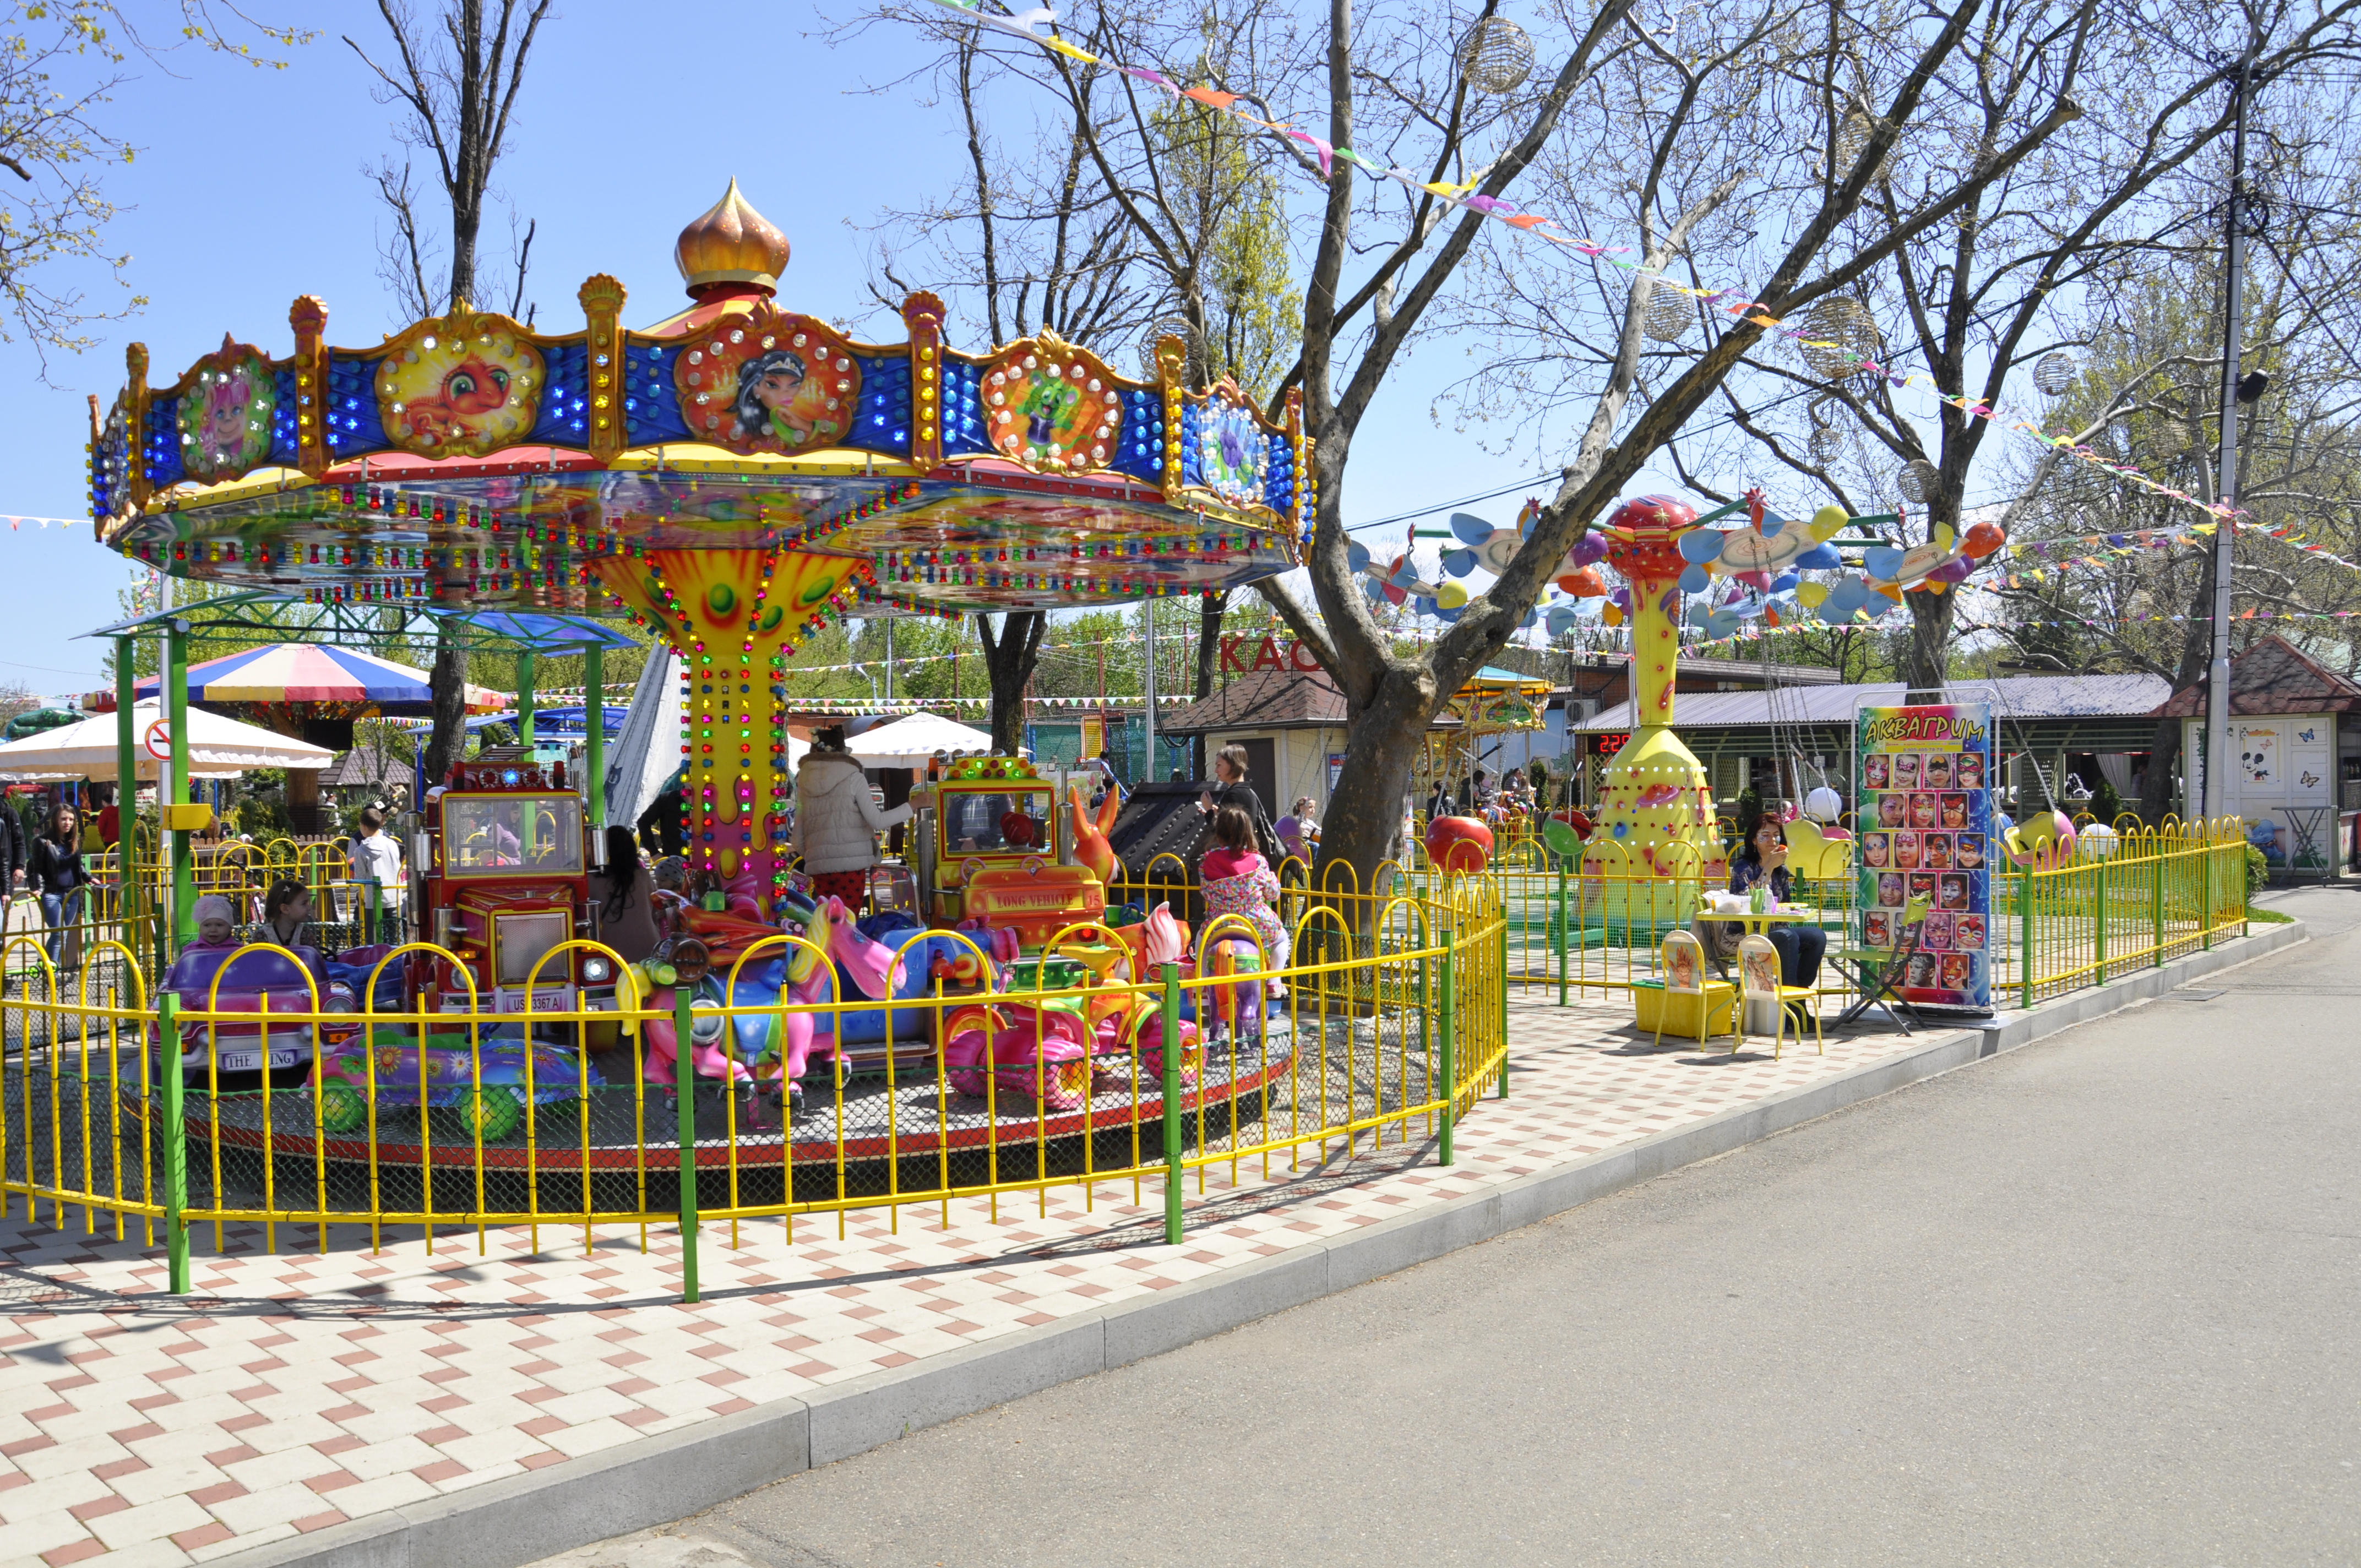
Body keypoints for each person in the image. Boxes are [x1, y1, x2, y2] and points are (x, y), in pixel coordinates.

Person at [792, 732, 925, 912]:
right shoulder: (854, 778)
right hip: (851, 871)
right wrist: (913, 805)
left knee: (827, 925)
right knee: (847, 925)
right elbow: (878, 821)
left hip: (819, 870)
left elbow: (797, 840)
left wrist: (818, 856)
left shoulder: (804, 786)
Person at [1728, 814, 1826, 1021]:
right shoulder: (1743, 867)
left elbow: (1783, 905)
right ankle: (1789, 1009)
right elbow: (1748, 903)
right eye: (1766, 835)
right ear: (1754, 840)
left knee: (1816, 936)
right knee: (1787, 937)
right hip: (1746, 932)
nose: (1773, 840)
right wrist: (1769, 867)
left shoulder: (1781, 871)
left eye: (1776, 835)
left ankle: (1798, 996)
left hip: (1773, 929)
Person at [1199, 805, 1289, 1002]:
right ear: (1249, 832)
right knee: (1282, 938)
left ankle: (1203, 982)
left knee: (1202, 938)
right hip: (1255, 924)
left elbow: (1206, 893)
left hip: (1221, 923)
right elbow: (1273, 894)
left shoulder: (1207, 861)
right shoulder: (1258, 861)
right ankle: (1274, 980)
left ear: (1219, 833)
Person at [25, 802, 91, 968]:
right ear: (55, 820)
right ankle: (53, 970)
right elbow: (37, 869)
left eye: (70, 820)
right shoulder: (42, 842)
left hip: (72, 893)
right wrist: (38, 888)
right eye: (63, 819)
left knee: (63, 934)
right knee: (59, 932)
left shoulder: (74, 841)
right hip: (51, 893)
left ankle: (46, 964)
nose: (67, 823)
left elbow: (78, 865)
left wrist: (88, 878)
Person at [589, 825, 659, 965]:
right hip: (648, 952)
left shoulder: (591, 879)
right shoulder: (643, 876)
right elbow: (655, 911)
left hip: (609, 956)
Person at [1195, 744, 1277, 860]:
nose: (1216, 770)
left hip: (1235, 860)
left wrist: (1209, 810)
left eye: (1219, 765)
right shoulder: (1248, 792)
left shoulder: (1233, 794)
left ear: (1233, 765)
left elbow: (1222, 834)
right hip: (1249, 857)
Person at [347, 807, 405, 935]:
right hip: (393, 895)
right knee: (395, 938)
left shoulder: (361, 851)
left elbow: (361, 877)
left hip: (373, 899)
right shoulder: (392, 844)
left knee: (374, 939)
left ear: (363, 826)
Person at [254, 878, 313, 951]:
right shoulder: (263, 935)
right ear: (285, 909)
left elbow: (315, 960)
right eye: (304, 903)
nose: (309, 908)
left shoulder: (304, 933)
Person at [1275, 796, 1317, 864]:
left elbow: (1318, 831)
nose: (1313, 810)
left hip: (1304, 842)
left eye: (1314, 808)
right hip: (1297, 844)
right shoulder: (1296, 819)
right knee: (1316, 846)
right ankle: (1315, 864)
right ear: (1301, 808)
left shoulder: (1310, 822)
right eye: (1310, 807)